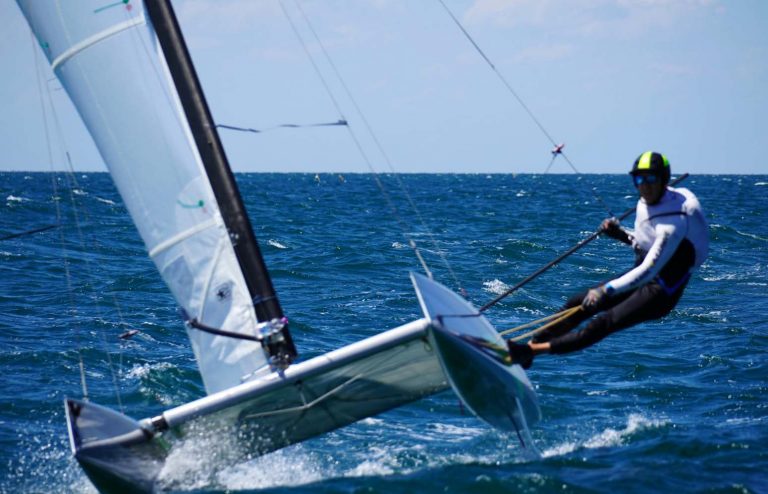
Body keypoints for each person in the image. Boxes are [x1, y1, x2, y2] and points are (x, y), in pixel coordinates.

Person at [508, 151, 709, 369]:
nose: (645, 186)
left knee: (603, 323)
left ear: (664, 180)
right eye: (639, 179)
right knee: (578, 303)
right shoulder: (649, 203)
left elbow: (650, 269)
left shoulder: (673, 224)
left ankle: (530, 352)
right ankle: (530, 347)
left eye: (651, 179)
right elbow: (643, 244)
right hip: (642, 275)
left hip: (660, 291)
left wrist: (606, 290)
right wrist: (619, 233)